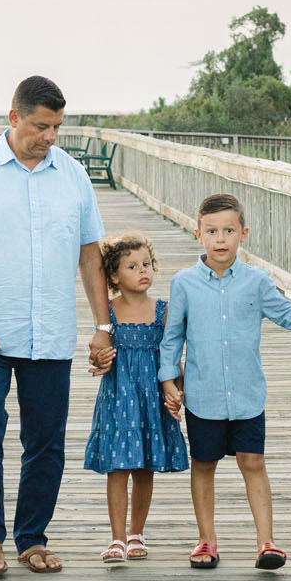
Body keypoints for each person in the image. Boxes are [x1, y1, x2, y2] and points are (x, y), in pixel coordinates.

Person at [0, 75, 110, 578]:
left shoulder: (72, 175)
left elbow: (90, 256)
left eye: (56, 127)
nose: (49, 136)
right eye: (40, 125)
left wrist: (104, 327)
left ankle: (32, 538)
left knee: (46, 438)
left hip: (50, 331)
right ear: (13, 118)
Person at [159, 193, 291, 571]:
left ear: (243, 234)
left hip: (248, 394)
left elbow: (288, 314)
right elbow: (172, 336)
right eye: (212, 231)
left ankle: (266, 541)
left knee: (253, 461)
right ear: (198, 234)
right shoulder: (184, 283)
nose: (221, 239)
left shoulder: (256, 281)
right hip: (203, 394)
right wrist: (168, 379)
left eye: (229, 231)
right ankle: (207, 540)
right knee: (203, 463)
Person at [84, 232, 188, 562]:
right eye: (132, 266)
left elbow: (172, 354)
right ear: (113, 276)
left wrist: (178, 389)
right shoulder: (109, 314)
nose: (142, 271)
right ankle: (116, 538)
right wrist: (98, 359)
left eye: (146, 264)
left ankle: (136, 533)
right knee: (118, 468)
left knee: (145, 468)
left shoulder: (163, 311)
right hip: (118, 398)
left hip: (151, 397)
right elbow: (97, 352)